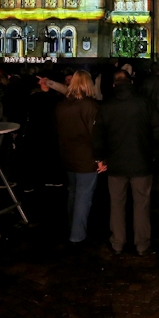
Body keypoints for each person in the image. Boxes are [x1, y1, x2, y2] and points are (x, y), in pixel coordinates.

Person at [92, 70, 159, 256]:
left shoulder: (107, 106)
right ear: (131, 82)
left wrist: (100, 158)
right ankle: (142, 243)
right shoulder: (144, 103)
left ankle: (118, 241)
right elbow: (158, 130)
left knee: (116, 203)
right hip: (141, 162)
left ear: (114, 85)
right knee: (141, 204)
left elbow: (98, 137)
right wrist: (150, 148)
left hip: (116, 163)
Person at [55, 71, 106, 242]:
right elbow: (96, 136)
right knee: (84, 196)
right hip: (86, 157)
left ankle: (72, 227)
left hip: (68, 155)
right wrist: (100, 159)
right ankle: (77, 234)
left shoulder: (61, 106)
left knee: (73, 193)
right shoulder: (89, 106)